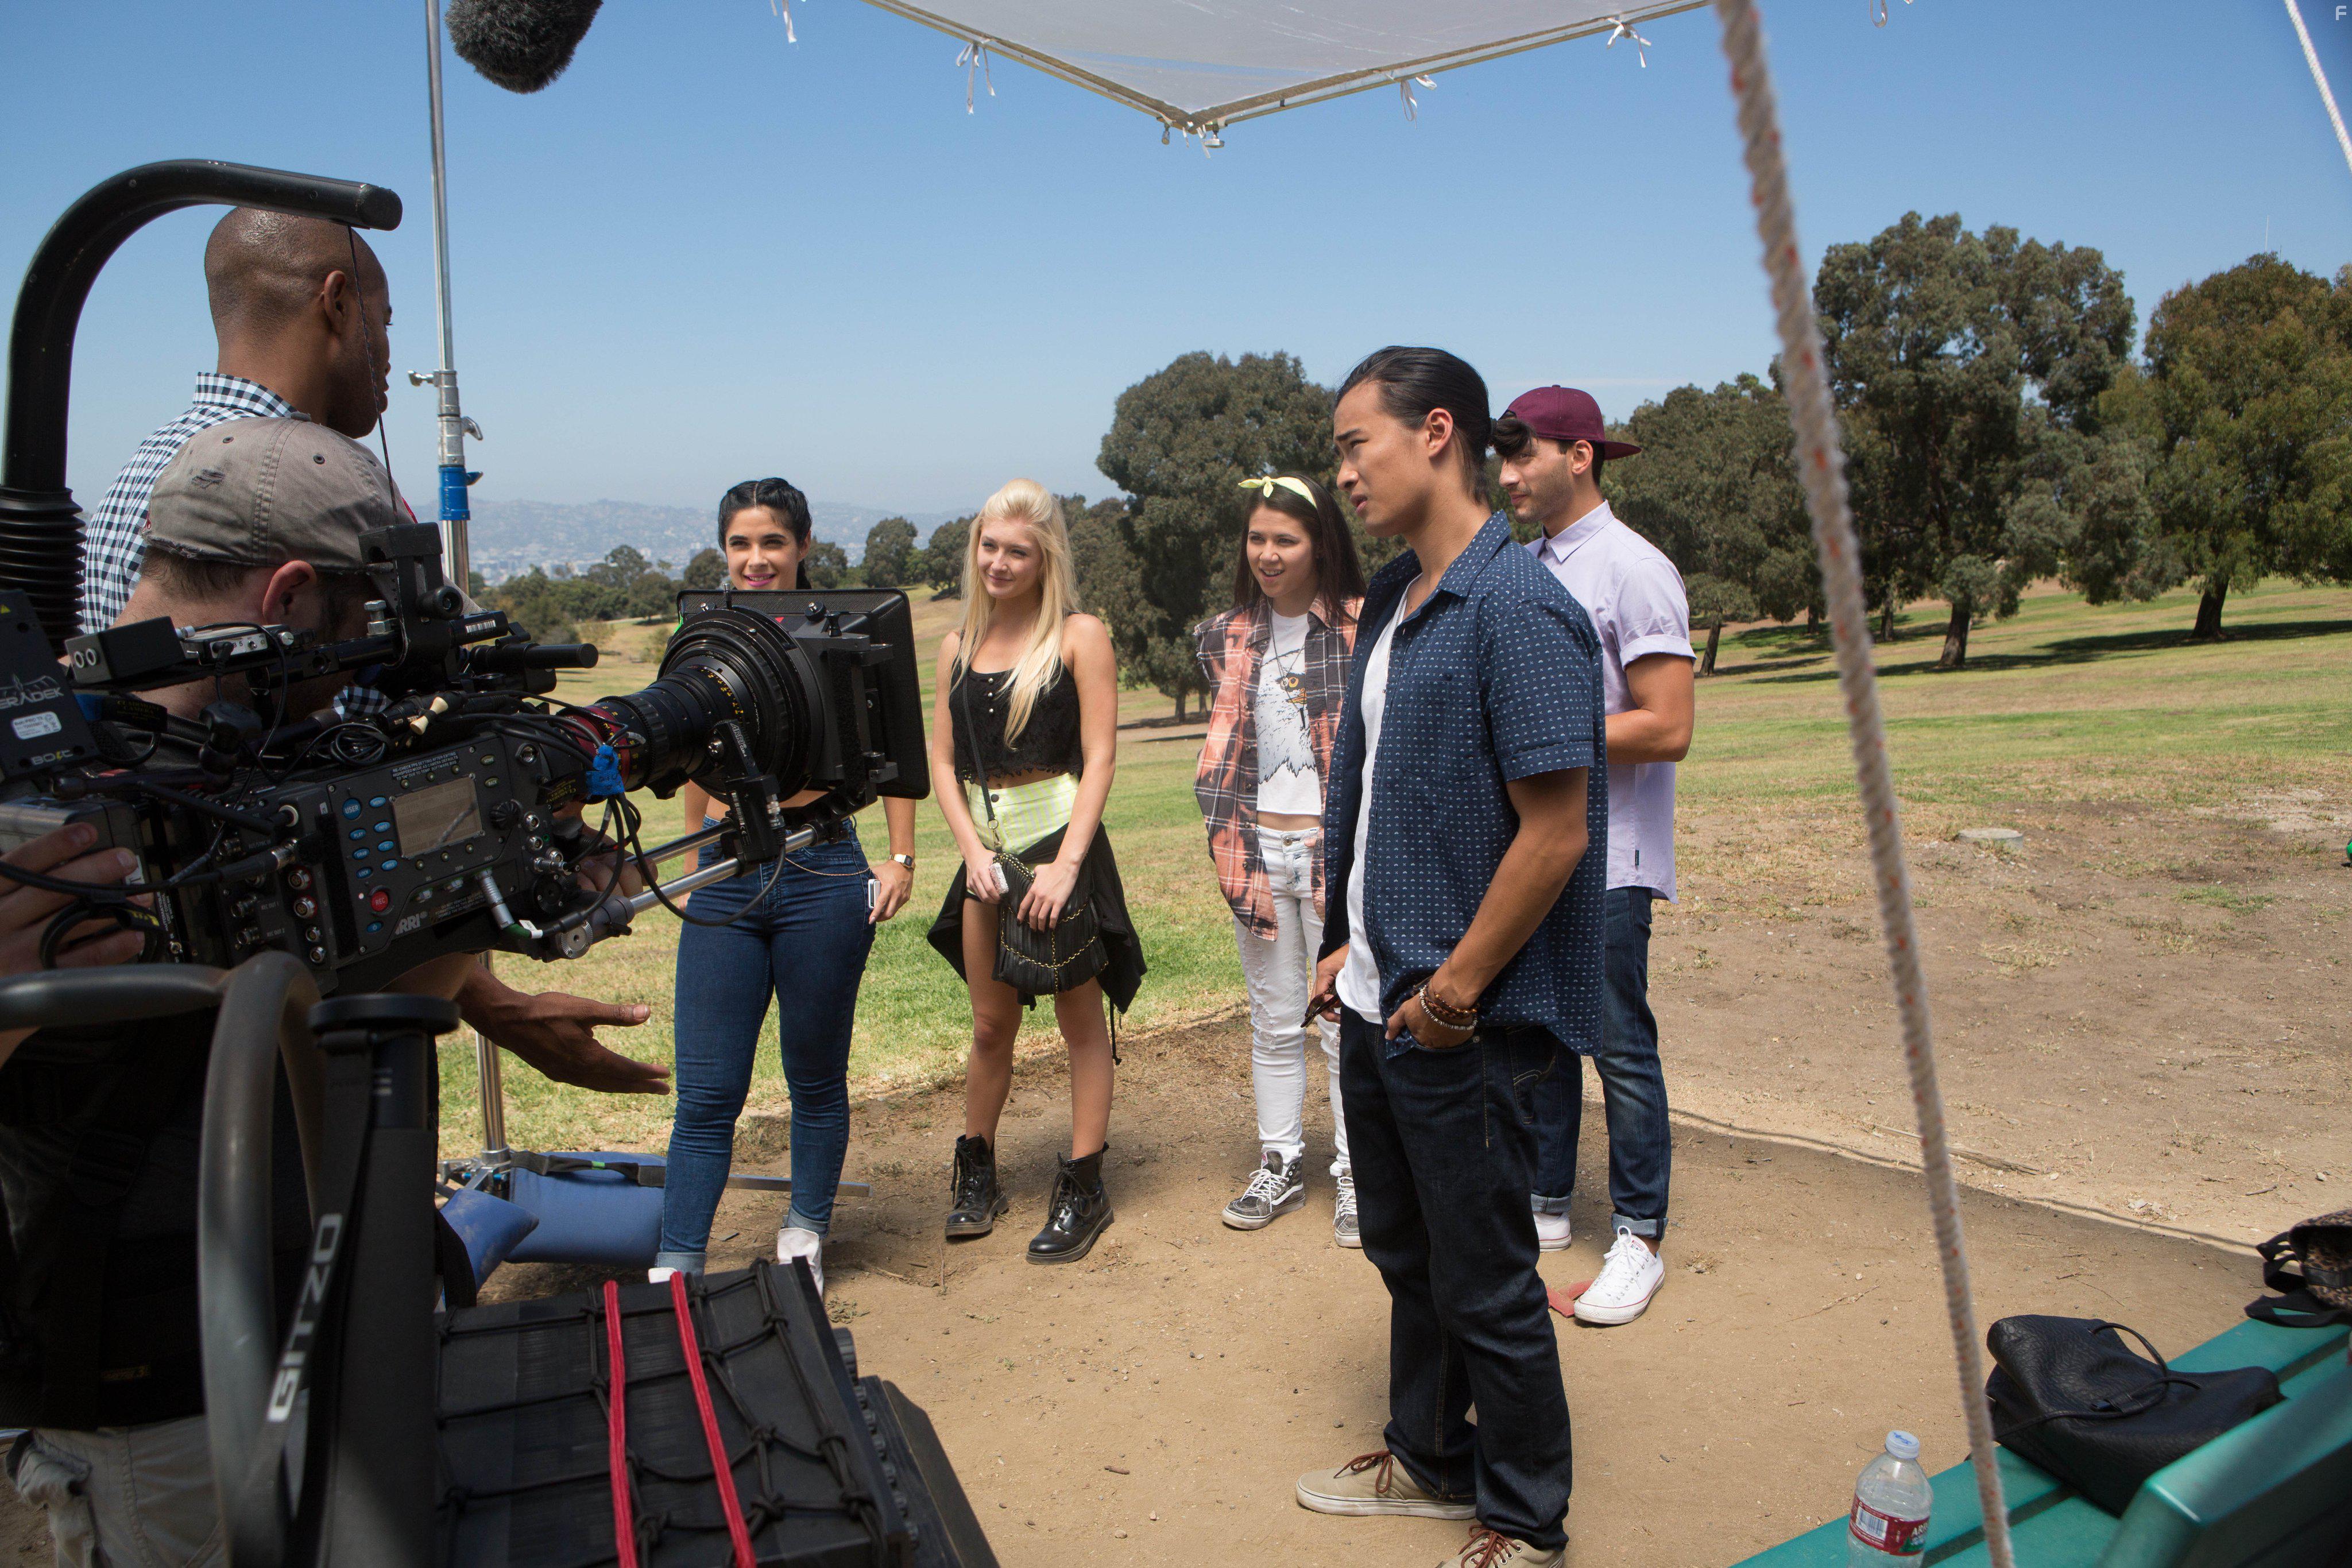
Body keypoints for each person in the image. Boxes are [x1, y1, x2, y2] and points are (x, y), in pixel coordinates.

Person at [0, 419, 652, 1568]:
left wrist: (501, 900)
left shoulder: (263, 765)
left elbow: (340, 1003)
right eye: (365, 628)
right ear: (291, 596)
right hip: (169, 1419)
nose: (369, 673)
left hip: (352, 1328)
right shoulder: (38, 823)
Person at [1293, 349, 1607, 1568]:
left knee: (1485, 1278)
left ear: (1435, 433)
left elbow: (1556, 832)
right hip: (1383, 1000)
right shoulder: (1393, 597)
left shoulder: (1517, 608)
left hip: (1461, 1021)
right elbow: (1383, 796)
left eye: (1352, 444)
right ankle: (1429, 1455)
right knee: (1407, 1253)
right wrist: (1346, 946)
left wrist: (1453, 995)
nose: (1341, 473)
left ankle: (1525, 1518)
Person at [651, 478, 919, 1292]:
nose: (756, 558)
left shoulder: (844, 630)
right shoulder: (703, 635)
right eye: (740, 543)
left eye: (772, 541)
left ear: (803, 546)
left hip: (823, 866)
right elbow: (695, 761)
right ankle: (677, 1266)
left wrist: (899, 858)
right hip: (728, 872)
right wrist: (693, 867)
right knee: (707, 1091)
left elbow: (894, 742)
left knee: (814, 1076)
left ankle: (804, 1236)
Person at [1496, 386, 1693, 1327]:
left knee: (1617, 1045)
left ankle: (1640, 1236)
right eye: (1501, 457)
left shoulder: (1634, 568)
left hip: (1611, 856)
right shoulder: (1524, 568)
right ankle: (1545, 1202)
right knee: (1539, 1032)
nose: (1506, 474)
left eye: (1522, 453)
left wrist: (1540, 734)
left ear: (1580, 456)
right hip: (1537, 847)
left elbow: (1669, 725)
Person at [926, 479, 1142, 1264]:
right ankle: (977, 1169)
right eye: (989, 546)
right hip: (987, 858)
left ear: (1046, 557)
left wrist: (1066, 866)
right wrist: (972, 852)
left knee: (1081, 1024)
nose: (999, 562)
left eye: (1018, 550)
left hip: (1060, 848)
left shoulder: (1081, 635)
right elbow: (942, 762)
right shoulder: (956, 646)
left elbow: (1101, 758)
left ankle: (1085, 1184)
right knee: (991, 1024)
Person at [80, 207, 397, 636]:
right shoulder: (292, 487)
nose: (388, 352)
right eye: (383, 321)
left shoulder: (154, 458)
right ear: (336, 303)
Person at [1192, 473, 1365, 1244]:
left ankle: (1358, 1171)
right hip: (1256, 850)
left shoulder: (1363, 627)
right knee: (1272, 1019)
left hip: (1336, 852)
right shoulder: (1224, 635)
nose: (1267, 553)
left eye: (1285, 539)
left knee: (1344, 1019)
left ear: (1320, 544)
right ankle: (1281, 1161)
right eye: (1257, 537)